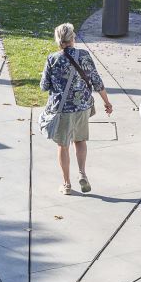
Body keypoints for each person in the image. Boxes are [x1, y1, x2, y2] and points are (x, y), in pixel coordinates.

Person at [40, 22, 112, 195]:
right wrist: (106, 102)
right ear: (73, 38)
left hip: (62, 110)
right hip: (82, 107)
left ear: (58, 40)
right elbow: (96, 81)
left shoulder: (52, 59)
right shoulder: (85, 55)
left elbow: (44, 86)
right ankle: (82, 173)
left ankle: (66, 184)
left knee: (62, 145)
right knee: (80, 141)